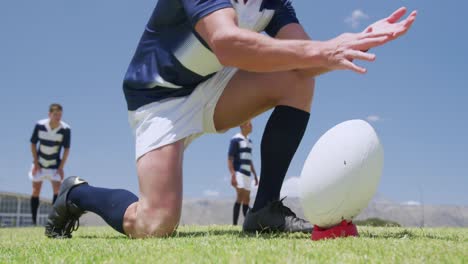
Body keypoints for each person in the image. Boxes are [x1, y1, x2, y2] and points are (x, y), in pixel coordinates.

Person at [45, 0, 417, 238]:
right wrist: (324, 48)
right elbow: (227, 41)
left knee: (298, 78)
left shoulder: (276, 3)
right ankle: (77, 194)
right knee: (153, 224)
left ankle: (265, 211)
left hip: (215, 85)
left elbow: (307, 58)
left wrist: (357, 42)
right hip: (159, 100)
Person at [29, 103, 70, 225]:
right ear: (49, 114)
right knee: (36, 190)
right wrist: (36, 163)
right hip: (39, 164)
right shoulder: (40, 125)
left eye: (60, 115)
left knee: (57, 190)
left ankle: (53, 220)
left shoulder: (65, 129)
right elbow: (33, 144)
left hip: (54, 166)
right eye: (55, 114)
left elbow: (66, 149)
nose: (58, 117)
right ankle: (33, 221)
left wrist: (61, 167)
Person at [228, 120, 258, 225]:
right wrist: (233, 174)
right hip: (239, 173)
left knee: (247, 199)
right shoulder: (235, 140)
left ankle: (247, 223)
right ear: (243, 125)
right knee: (240, 196)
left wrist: (254, 174)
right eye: (250, 124)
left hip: (247, 174)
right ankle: (235, 224)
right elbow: (230, 158)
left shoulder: (249, 141)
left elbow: (249, 160)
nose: (251, 126)